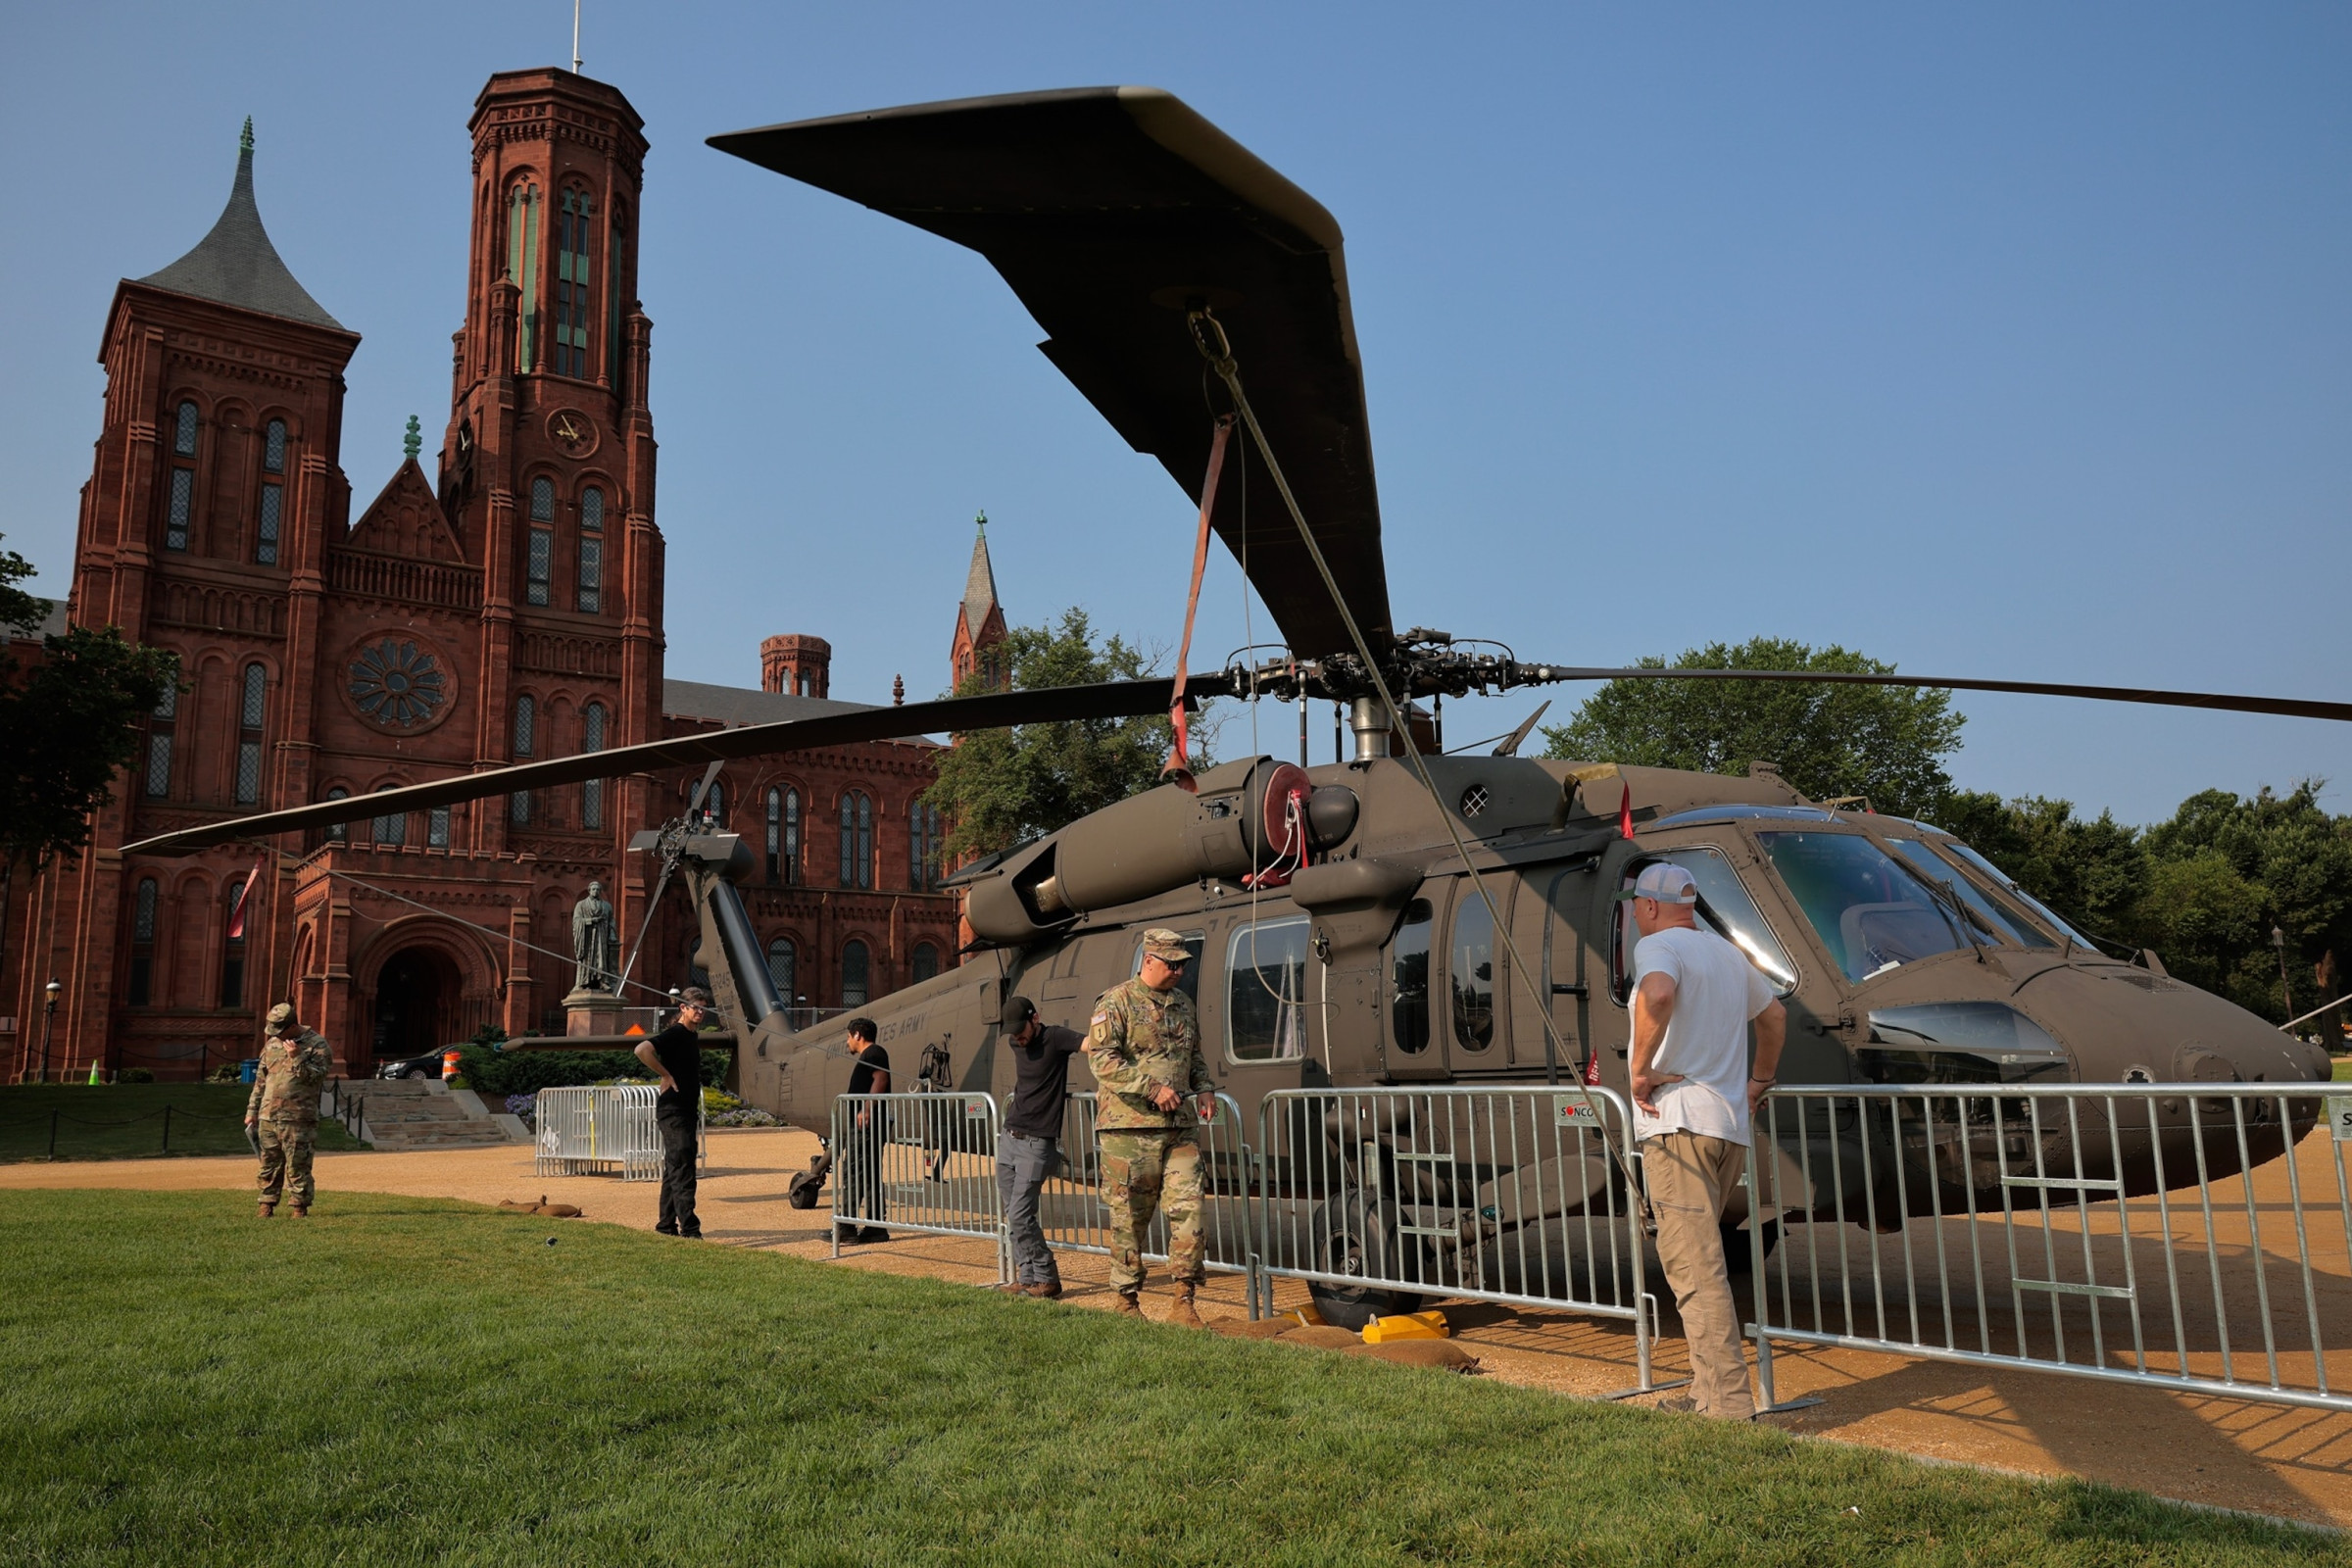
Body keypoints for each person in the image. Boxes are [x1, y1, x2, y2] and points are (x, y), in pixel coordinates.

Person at [1626, 861, 1787, 1420]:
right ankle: (1705, 1393)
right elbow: (1774, 1018)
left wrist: (1640, 1069)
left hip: (1678, 1126)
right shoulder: (1726, 952)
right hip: (1727, 1128)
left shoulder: (1658, 948)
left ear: (1646, 906)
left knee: (1694, 1268)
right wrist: (1759, 1081)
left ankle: (1729, 1406)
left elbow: (1660, 996)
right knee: (1701, 1259)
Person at [1085, 929, 1217, 1326]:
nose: (1178, 970)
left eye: (1182, 965)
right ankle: (1127, 1302)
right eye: (1171, 964)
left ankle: (1184, 1301)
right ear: (1148, 961)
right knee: (1129, 1217)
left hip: (1179, 1128)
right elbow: (1102, 1060)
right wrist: (1152, 1088)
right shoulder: (1117, 1001)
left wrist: (1205, 1088)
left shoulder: (1183, 1004)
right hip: (1129, 1131)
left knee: (1190, 1210)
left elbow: (1193, 1054)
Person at [992, 995, 1085, 1298]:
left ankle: (1047, 1276)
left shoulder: (1056, 1038)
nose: (1017, 1038)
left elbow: (1090, 1045)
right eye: (1012, 1032)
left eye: (1021, 1029)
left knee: (1019, 1213)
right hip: (1009, 1137)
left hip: (1037, 1143)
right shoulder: (1014, 1042)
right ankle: (1027, 1276)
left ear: (1036, 1018)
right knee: (1013, 1211)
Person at [634, 987, 713, 1238]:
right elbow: (642, 1049)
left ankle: (666, 1226)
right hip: (673, 1111)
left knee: (674, 1168)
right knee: (683, 1169)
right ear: (683, 1008)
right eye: (695, 1007)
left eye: (703, 1008)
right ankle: (690, 1229)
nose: (700, 1012)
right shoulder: (676, 1033)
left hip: (686, 1111)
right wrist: (665, 1074)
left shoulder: (691, 1035)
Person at [245, 1003, 331, 1218]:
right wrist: (252, 1110)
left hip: (298, 1116)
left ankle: (298, 1207)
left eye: (280, 1031)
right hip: (269, 1115)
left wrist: (297, 1056)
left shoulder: (316, 1045)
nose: (276, 1036)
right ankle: (267, 1203)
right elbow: (260, 1081)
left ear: (292, 1026)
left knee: (298, 1164)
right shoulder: (272, 1045)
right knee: (269, 1163)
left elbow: (316, 1077)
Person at [835, 1016, 891, 1245]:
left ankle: (847, 1227)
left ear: (857, 1035)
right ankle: (876, 1228)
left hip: (866, 1127)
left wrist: (867, 1108)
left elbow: (881, 1078)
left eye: (848, 1036)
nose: (847, 1041)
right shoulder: (871, 1055)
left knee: (854, 1171)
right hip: (867, 1127)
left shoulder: (874, 1052)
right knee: (870, 1176)